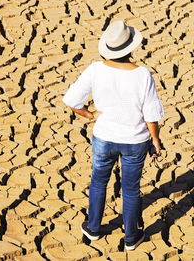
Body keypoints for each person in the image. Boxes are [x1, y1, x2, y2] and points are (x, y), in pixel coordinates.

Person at [62, 20, 164, 251]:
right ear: (131, 47)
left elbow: (71, 100)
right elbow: (150, 114)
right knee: (130, 188)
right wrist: (155, 140)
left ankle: (93, 228)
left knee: (98, 181)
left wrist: (89, 114)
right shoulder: (143, 75)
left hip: (104, 138)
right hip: (135, 142)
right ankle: (131, 238)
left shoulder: (95, 69)